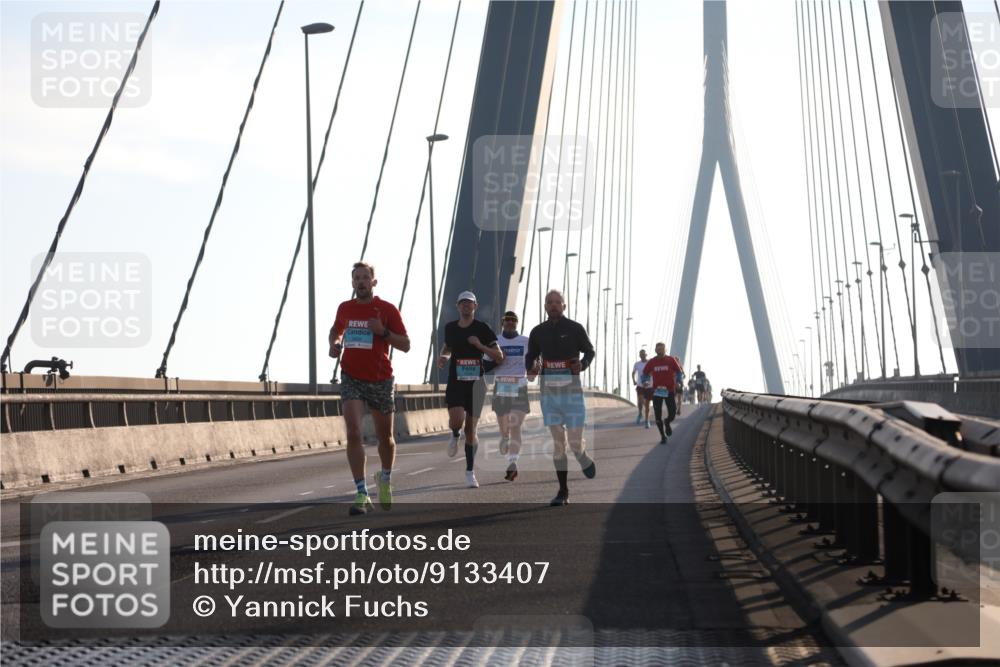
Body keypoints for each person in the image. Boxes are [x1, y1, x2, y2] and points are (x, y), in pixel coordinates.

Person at [329, 262, 410, 516]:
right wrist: (335, 342)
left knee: (385, 438)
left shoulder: (386, 309)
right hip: (351, 376)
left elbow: (406, 344)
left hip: (380, 379)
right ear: (352, 283)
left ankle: (384, 479)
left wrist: (383, 332)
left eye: (366, 277)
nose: (361, 282)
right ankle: (361, 492)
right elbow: (335, 329)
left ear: (374, 282)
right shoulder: (345, 308)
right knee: (353, 433)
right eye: (357, 278)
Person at [526, 289, 596, 506]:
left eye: (558, 302)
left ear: (564, 306)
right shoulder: (538, 331)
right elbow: (531, 354)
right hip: (549, 394)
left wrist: (582, 365)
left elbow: (590, 351)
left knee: (574, 444)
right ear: (545, 306)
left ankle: (581, 454)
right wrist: (532, 367)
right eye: (550, 302)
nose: (554, 305)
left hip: (572, 393)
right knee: (558, 443)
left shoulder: (575, 329)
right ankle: (563, 491)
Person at [437, 291, 503, 488]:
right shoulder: (450, 328)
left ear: (476, 306)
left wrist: (480, 345)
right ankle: (455, 433)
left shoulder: (483, 329)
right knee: (457, 419)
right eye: (462, 303)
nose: (466, 306)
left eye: (470, 303)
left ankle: (470, 472)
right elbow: (448, 348)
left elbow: (499, 356)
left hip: (476, 384)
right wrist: (443, 357)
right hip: (456, 381)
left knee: (471, 429)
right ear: (458, 306)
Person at [488, 311, 532, 481]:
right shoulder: (495, 341)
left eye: (514, 320)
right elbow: (487, 363)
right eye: (507, 320)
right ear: (502, 322)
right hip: (502, 386)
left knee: (515, 425)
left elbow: (533, 360)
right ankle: (504, 437)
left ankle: (512, 463)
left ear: (517, 323)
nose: (511, 323)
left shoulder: (525, 341)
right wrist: (497, 360)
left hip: (519, 386)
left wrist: (534, 368)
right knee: (505, 427)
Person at [642, 343, 683, 444]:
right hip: (657, 391)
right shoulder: (652, 362)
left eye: (662, 348)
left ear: (665, 350)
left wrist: (678, 381)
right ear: (655, 350)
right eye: (658, 348)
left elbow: (678, 372)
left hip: (669, 390)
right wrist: (645, 381)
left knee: (672, 413)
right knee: (657, 415)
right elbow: (644, 374)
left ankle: (667, 422)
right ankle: (663, 436)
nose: (660, 350)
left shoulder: (671, 360)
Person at [631, 349, 652, 427]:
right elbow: (633, 373)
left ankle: (647, 420)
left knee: (647, 404)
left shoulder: (650, 363)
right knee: (640, 401)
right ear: (639, 356)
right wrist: (633, 380)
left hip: (649, 386)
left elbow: (654, 372)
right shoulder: (637, 364)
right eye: (641, 354)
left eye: (644, 354)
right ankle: (640, 413)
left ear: (646, 355)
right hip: (640, 385)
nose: (642, 355)